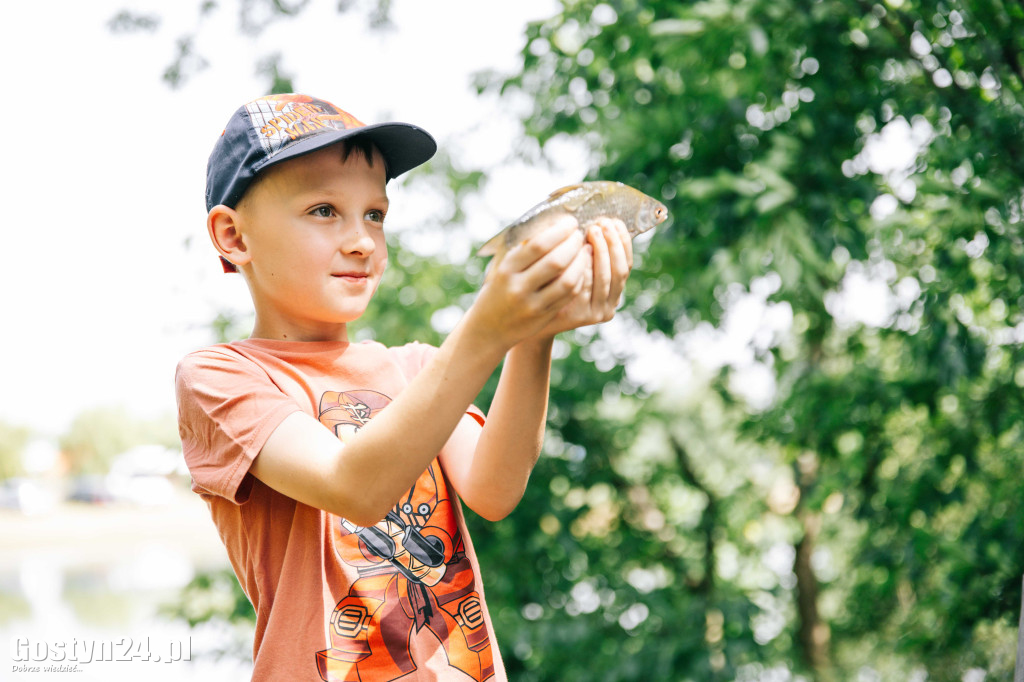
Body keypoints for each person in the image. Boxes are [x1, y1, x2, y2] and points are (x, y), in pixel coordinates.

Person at [174, 93, 633, 681]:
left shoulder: (416, 368)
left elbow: (494, 490)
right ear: (233, 236)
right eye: (323, 211)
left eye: (375, 214)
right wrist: (485, 329)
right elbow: (354, 486)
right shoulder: (221, 377)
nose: (362, 240)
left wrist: (533, 332)